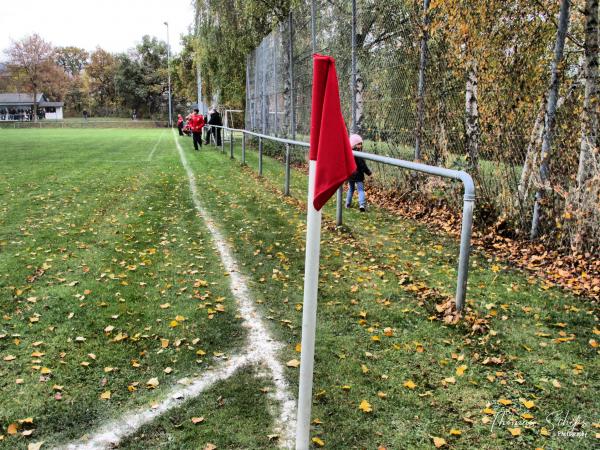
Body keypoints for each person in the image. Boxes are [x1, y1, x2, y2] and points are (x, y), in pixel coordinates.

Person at [345, 134, 372, 212]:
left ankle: (347, 203)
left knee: (351, 189)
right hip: (358, 175)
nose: (360, 145)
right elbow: (363, 166)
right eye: (358, 144)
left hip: (351, 175)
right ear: (354, 145)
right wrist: (369, 173)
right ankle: (362, 204)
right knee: (360, 190)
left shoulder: (349, 153)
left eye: (361, 144)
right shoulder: (359, 155)